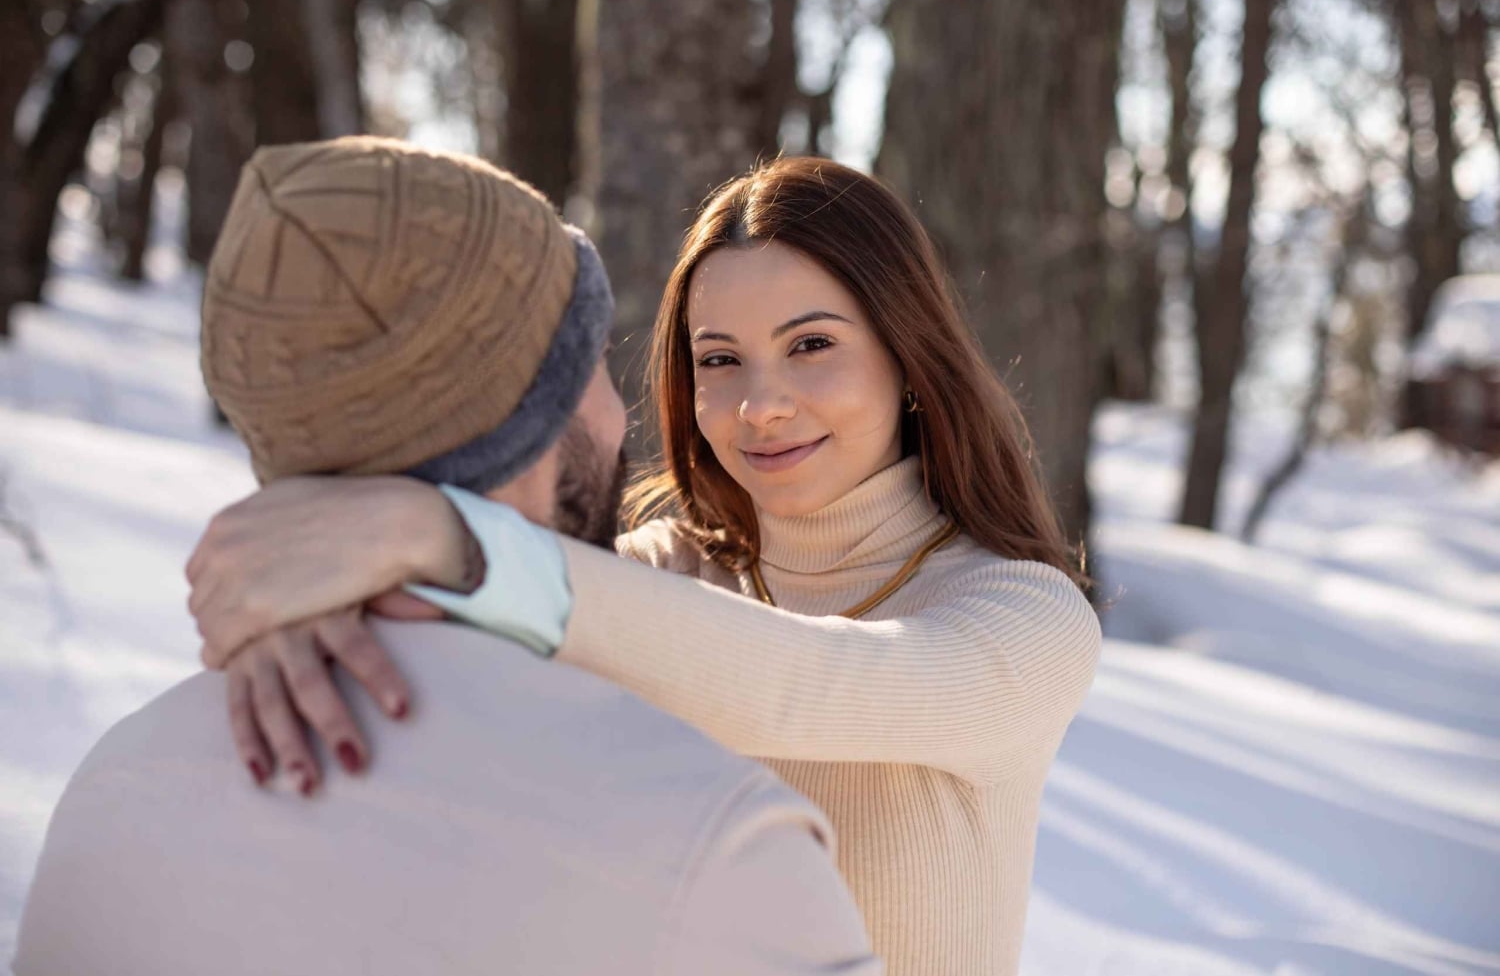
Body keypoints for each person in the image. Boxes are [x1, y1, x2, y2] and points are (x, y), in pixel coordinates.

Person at [186, 157, 1103, 976]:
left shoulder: (1023, 618)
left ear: (909, 356)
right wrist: (307, 614)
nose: (759, 405)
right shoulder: (662, 577)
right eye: (719, 359)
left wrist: (441, 537)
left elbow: (814, 682)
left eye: (811, 345)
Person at [12, 138, 882, 976]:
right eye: (587, 360)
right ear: (532, 414)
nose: (624, 414)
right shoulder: (719, 847)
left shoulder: (113, 789)